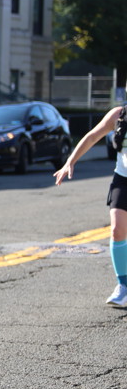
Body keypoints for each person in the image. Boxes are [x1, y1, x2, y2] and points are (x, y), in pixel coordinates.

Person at [54, 103, 127, 305]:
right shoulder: (118, 115)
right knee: (117, 231)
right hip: (123, 179)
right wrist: (70, 161)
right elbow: (92, 136)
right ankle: (123, 286)